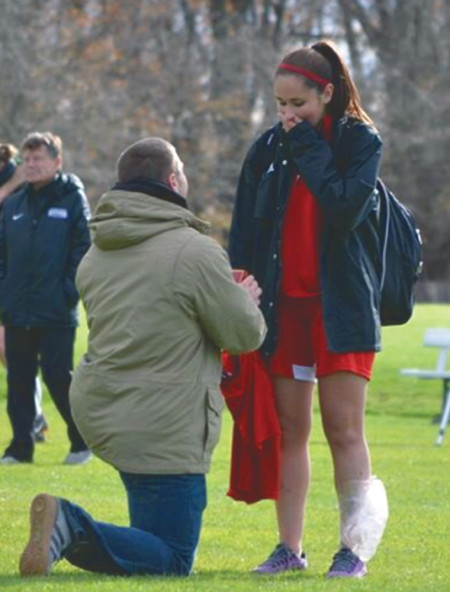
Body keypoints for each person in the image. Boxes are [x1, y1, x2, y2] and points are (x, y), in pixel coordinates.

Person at [19, 136, 266, 577]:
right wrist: (243, 298)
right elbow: (243, 335)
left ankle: (67, 528)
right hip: (166, 419)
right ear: (173, 181)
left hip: (106, 407)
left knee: (148, 539)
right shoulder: (195, 252)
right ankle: (68, 524)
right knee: (172, 557)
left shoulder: (96, 253)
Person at [228, 39, 388, 578]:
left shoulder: (359, 141)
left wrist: (310, 149)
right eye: (279, 104)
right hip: (285, 312)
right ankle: (289, 550)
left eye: (299, 103)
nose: (287, 115)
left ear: (326, 92)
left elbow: (343, 206)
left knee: (344, 432)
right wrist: (240, 281)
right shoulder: (266, 147)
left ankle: (353, 551)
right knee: (291, 434)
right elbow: (245, 231)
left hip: (341, 309)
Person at [0, 132, 92, 465]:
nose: (32, 165)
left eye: (39, 158)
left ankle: (81, 442)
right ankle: (20, 449)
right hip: (17, 309)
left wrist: (67, 291)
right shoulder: (14, 203)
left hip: (56, 309)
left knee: (57, 377)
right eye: (27, 159)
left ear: (57, 162)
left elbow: (84, 249)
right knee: (20, 381)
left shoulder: (71, 198)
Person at [0, 143, 48, 443]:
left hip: (12, 278)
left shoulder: (21, 179)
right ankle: (34, 419)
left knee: (11, 352)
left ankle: (34, 419)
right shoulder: (13, 181)